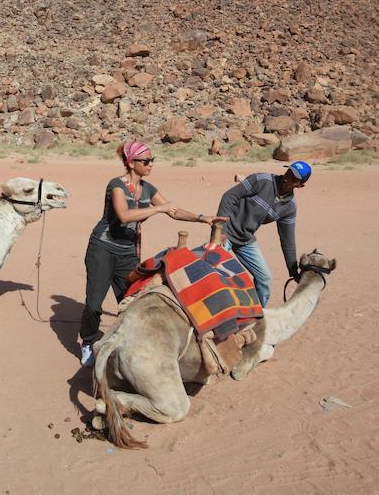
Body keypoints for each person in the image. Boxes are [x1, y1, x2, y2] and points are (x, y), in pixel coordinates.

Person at [79, 140, 226, 366]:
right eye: (146, 161)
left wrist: (202, 218)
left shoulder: (148, 189)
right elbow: (124, 215)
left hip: (128, 252)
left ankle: (124, 341)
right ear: (131, 162)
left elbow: (173, 211)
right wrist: (159, 208)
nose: (150, 165)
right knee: (94, 303)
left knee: (132, 299)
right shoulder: (116, 185)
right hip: (103, 247)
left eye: (152, 160)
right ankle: (88, 342)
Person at [215, 161, 312, 308]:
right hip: (226, 233)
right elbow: (229, 197)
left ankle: (257, 317)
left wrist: (293, 270)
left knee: (265, 279)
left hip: (245, 239)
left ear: (300, 185)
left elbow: (288, 240)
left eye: (293, 179)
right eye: (288, 173)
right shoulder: (261, 180)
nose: (287, 179)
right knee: (217, 274)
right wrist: (220, 229)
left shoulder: (289, 207)